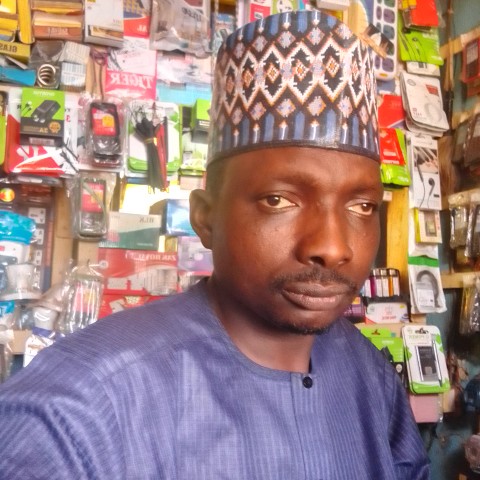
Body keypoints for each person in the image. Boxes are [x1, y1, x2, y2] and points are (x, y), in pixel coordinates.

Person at [0, 10, 430, 479]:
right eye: (278, 200)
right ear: (205, 217)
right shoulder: (79, 411)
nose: (332, 247)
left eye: (362, 206)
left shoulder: (370, 376)